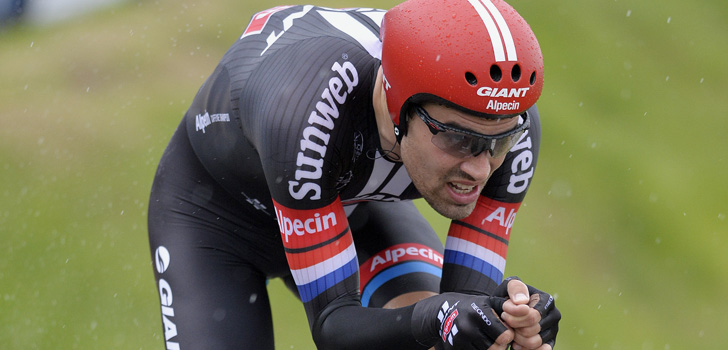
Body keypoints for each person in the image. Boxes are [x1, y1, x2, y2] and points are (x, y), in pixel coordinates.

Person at [147, 0, 561, 349]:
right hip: (215, 217)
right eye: (456, 139)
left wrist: (506, 321)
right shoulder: (307, 108)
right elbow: (333, 326)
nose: (478, 167)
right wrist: (432, 317)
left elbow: (461, 313)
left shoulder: (509, 125)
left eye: (496, 145)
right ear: (397, 108)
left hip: (352, 207)